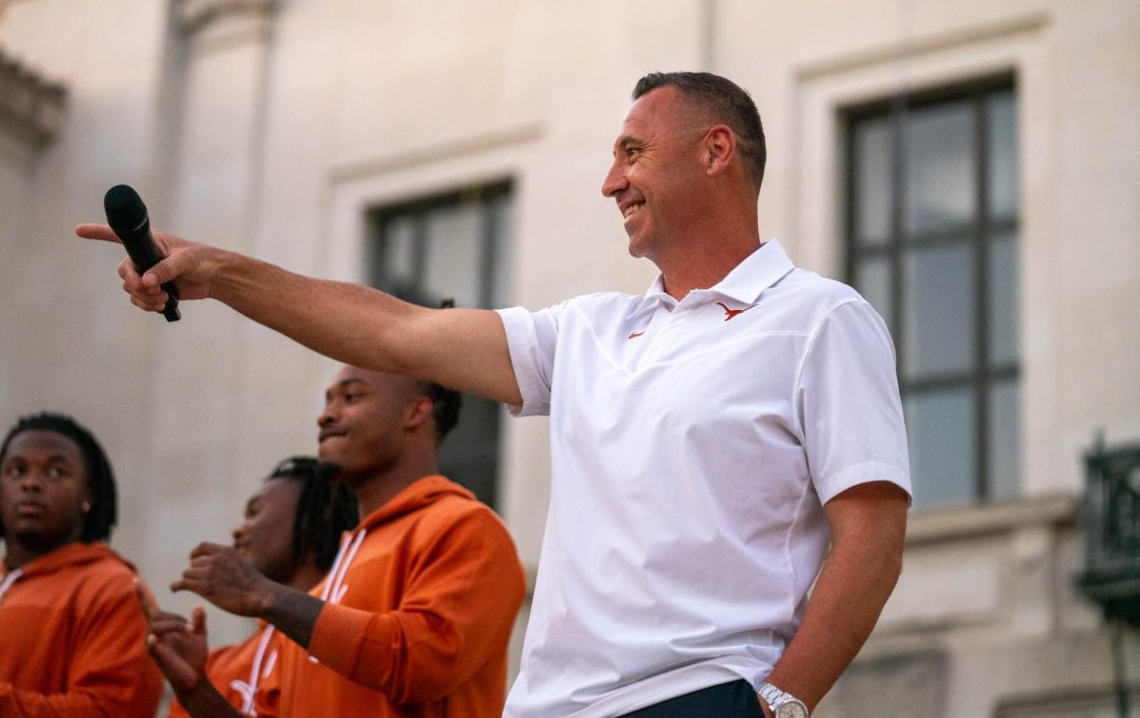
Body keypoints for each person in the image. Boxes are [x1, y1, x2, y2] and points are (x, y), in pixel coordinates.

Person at [78, 71, 912, 718]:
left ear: (716, 150)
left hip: (702, 696)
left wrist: (779, 705)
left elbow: (871, 532)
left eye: (630, 152)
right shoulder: (588, 332)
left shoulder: (819, 318)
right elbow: (393, 333)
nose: (608, 182)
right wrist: (218, 272)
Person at [139, 365, 526, 718]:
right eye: (327, 400)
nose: (326, 415)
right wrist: (197, 690)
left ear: (415, 412)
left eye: (351, 397)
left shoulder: (466, 528)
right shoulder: (321, 592)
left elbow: (422, 661)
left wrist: (265, 596)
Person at [0, 412, 163, 718]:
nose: (31, 483)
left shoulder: (115, 590)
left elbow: (110, 711)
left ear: (88, 495)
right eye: (17, 470)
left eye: (57, 472)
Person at [164, 456, 358, 718]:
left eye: (255, 512)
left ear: (316, 515)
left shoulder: (351, 644)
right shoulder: (213, 666)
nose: (237, 530)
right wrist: (194, 688)